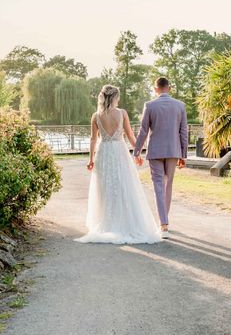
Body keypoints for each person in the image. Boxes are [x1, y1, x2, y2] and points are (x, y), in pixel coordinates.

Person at [75, 85, 161, 244]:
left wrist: (91, 159)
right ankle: (124, 222)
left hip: (104, 152)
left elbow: (93, 139)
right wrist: (137, 153)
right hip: (119, 152)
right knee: (124, 185)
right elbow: (130, 135)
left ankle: (107, 222)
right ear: (115, 97)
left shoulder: (96, 116)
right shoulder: (122, 113)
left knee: (105, 187)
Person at [134, 77, 188, 239]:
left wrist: (137, 151)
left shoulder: (150, 105)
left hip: (155, 151)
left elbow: (143, 131)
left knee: (158, 185)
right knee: (168, 184)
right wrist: (183, 154)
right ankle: (164, 222)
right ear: (169, 88)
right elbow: (183, 132)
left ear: (156, 89)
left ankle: (163, 224)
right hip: (173, 150)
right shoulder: (180, 106)